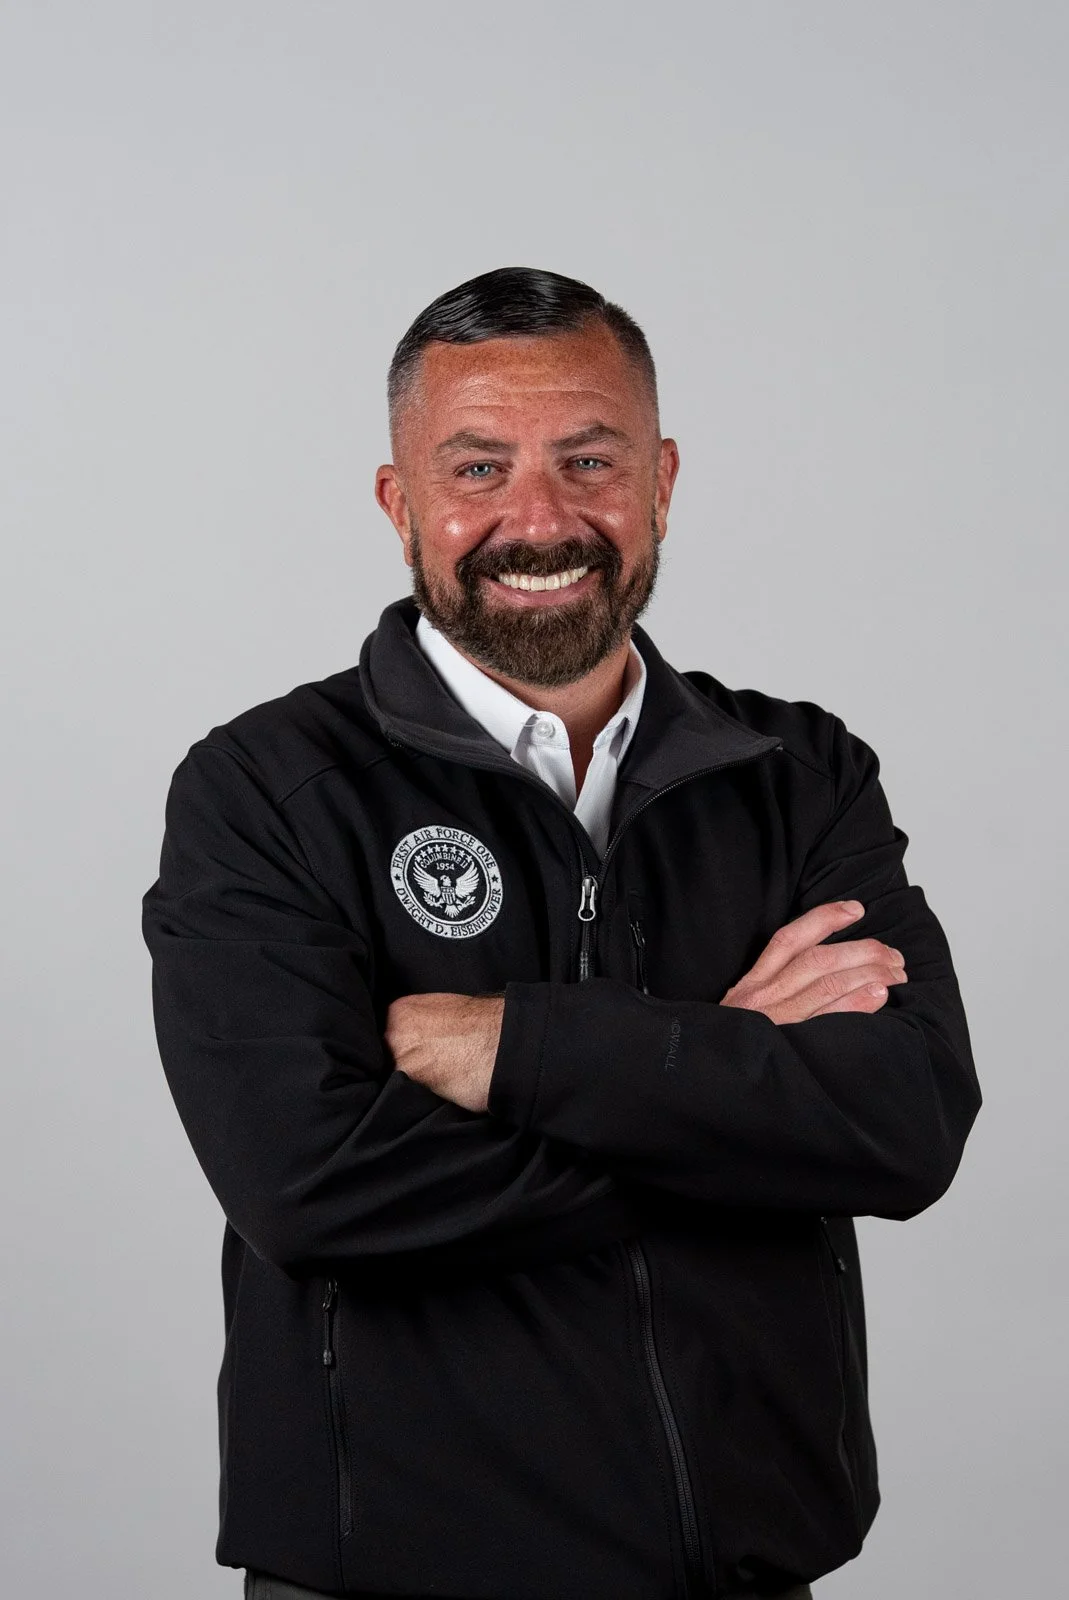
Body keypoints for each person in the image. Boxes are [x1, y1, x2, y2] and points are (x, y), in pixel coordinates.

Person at [141, 267, 981, 1600]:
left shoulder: (799, 772)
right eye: (477, 467)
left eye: (589, 461)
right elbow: (311, 1185)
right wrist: (729, 1080)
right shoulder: (265, 790)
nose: (538, 520)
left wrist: (533, 1053)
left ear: (661, 481)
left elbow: (910, 1120)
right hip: (392, 1576)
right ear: (398, 500)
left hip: (748, 1568)